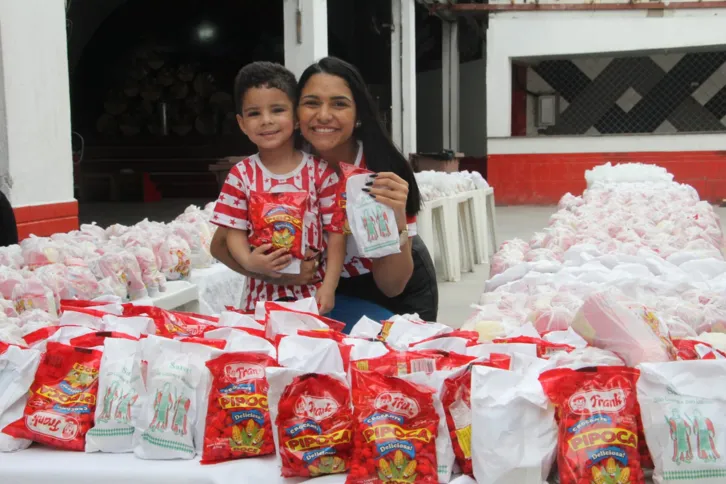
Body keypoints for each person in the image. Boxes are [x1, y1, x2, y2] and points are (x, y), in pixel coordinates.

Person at [212, 57, 438, 328]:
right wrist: (280, 277)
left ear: (358, 115)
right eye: (311, 103)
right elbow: (221, 245)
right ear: (297, 114)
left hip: (394, 288)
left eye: (339, 103)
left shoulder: (379, 171)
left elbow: (392, 287)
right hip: (325, 291)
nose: (323, 115)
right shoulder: (284, 161)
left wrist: (397, 224)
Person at [210, 61, 346, 314]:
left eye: (277, 110)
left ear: (296, 118)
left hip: (312, 296)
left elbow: (337, 233)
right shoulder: (241, 175)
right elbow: (233, 231)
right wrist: (250, 261)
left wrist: (329, 287)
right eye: (254, 113)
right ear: (241, 123)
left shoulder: (321, 173)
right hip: (259, 300)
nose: (266, 121)